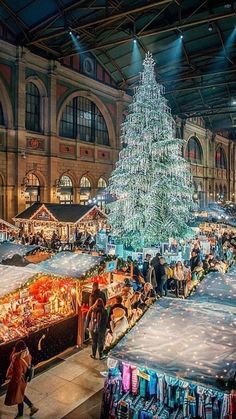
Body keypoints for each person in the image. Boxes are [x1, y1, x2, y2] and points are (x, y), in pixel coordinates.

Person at [4, 340, 38, 419]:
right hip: (25, 378)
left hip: (19, 380)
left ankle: (20, 415)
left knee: (19, 396)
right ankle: (32, 407)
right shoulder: (28, 354)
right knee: (20, 394)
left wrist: (14, 381)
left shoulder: (17, 359)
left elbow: (17, 373)